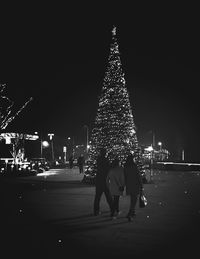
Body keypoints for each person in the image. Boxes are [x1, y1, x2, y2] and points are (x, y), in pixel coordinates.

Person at [93, 148, 114, 216]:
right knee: (108, 196)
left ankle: (96, 211)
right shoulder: (105, 160)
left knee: (97, 197)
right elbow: (108, 168)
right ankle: (112, 209)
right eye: (105, 152)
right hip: (104, 180)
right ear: (104, 153)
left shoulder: (99, 159)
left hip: (99, 180)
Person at [124, 154, 143, 221]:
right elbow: (138, 176)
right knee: (134, 200)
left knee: (132, 199)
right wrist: (141, 185)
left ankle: (133, 211)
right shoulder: (134, 166)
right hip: (135, 185)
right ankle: (130, 214)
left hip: (129, 185)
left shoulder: (125, 166)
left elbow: (125, 177)